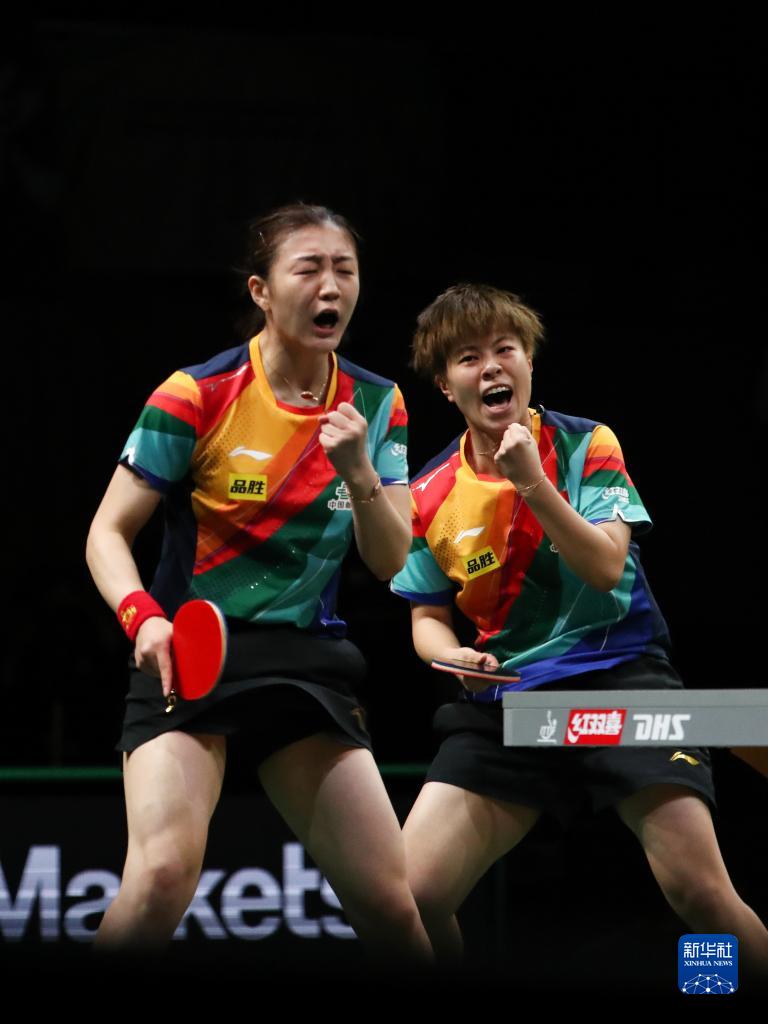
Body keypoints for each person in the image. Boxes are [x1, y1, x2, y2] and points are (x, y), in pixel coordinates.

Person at [86, 202, 431, 961]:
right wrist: (142, 617)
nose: (330, 286)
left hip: (308, 662)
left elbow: (388, 561)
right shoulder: (196, 395)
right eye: (308, 269)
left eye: (344, 270)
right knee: (160, 878)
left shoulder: (377, 404)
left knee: (391, 906)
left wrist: (360, 473)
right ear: (262, 291)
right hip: (190, 656)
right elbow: (106, 533)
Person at [390, 282, 768, 972]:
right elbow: (428, 619)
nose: (492, 366)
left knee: (700, 896)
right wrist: (452, 656)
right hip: (509, 705)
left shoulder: (587, 443)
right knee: (410, 900)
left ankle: (713, 986)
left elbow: (603, 566)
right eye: (469, 358)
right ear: (445, 384)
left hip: (619, 682)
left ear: (529, 360)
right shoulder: (427, 494)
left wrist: (532, 482)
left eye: (506, 348)